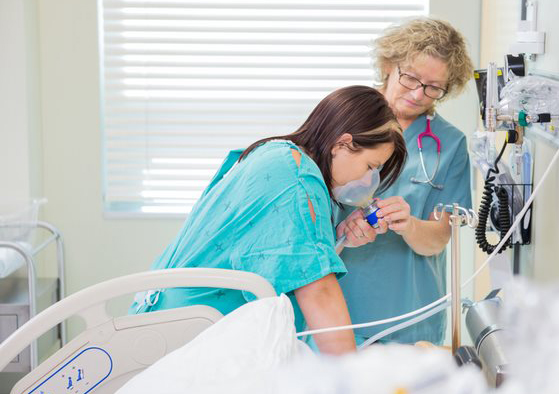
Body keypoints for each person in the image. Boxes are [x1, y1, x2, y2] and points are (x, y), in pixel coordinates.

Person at [130, 85, 407, 355]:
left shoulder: (277, 155)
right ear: (342, 144)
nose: (369, 180)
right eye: (371, 166)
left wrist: (337, 238)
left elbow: (268, 252)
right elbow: (318, 290)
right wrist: (353, 378)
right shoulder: (298, 180)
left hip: (168, 319)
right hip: (184, 335)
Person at [335, 18, 474, 345]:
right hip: (339, 298)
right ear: (388, 64)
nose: (417, 93)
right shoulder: (343, 114)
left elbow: (439, 238)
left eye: (433, 87)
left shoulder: (449, 143)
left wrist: (409, 224)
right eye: (410, 77)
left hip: (409, 311)